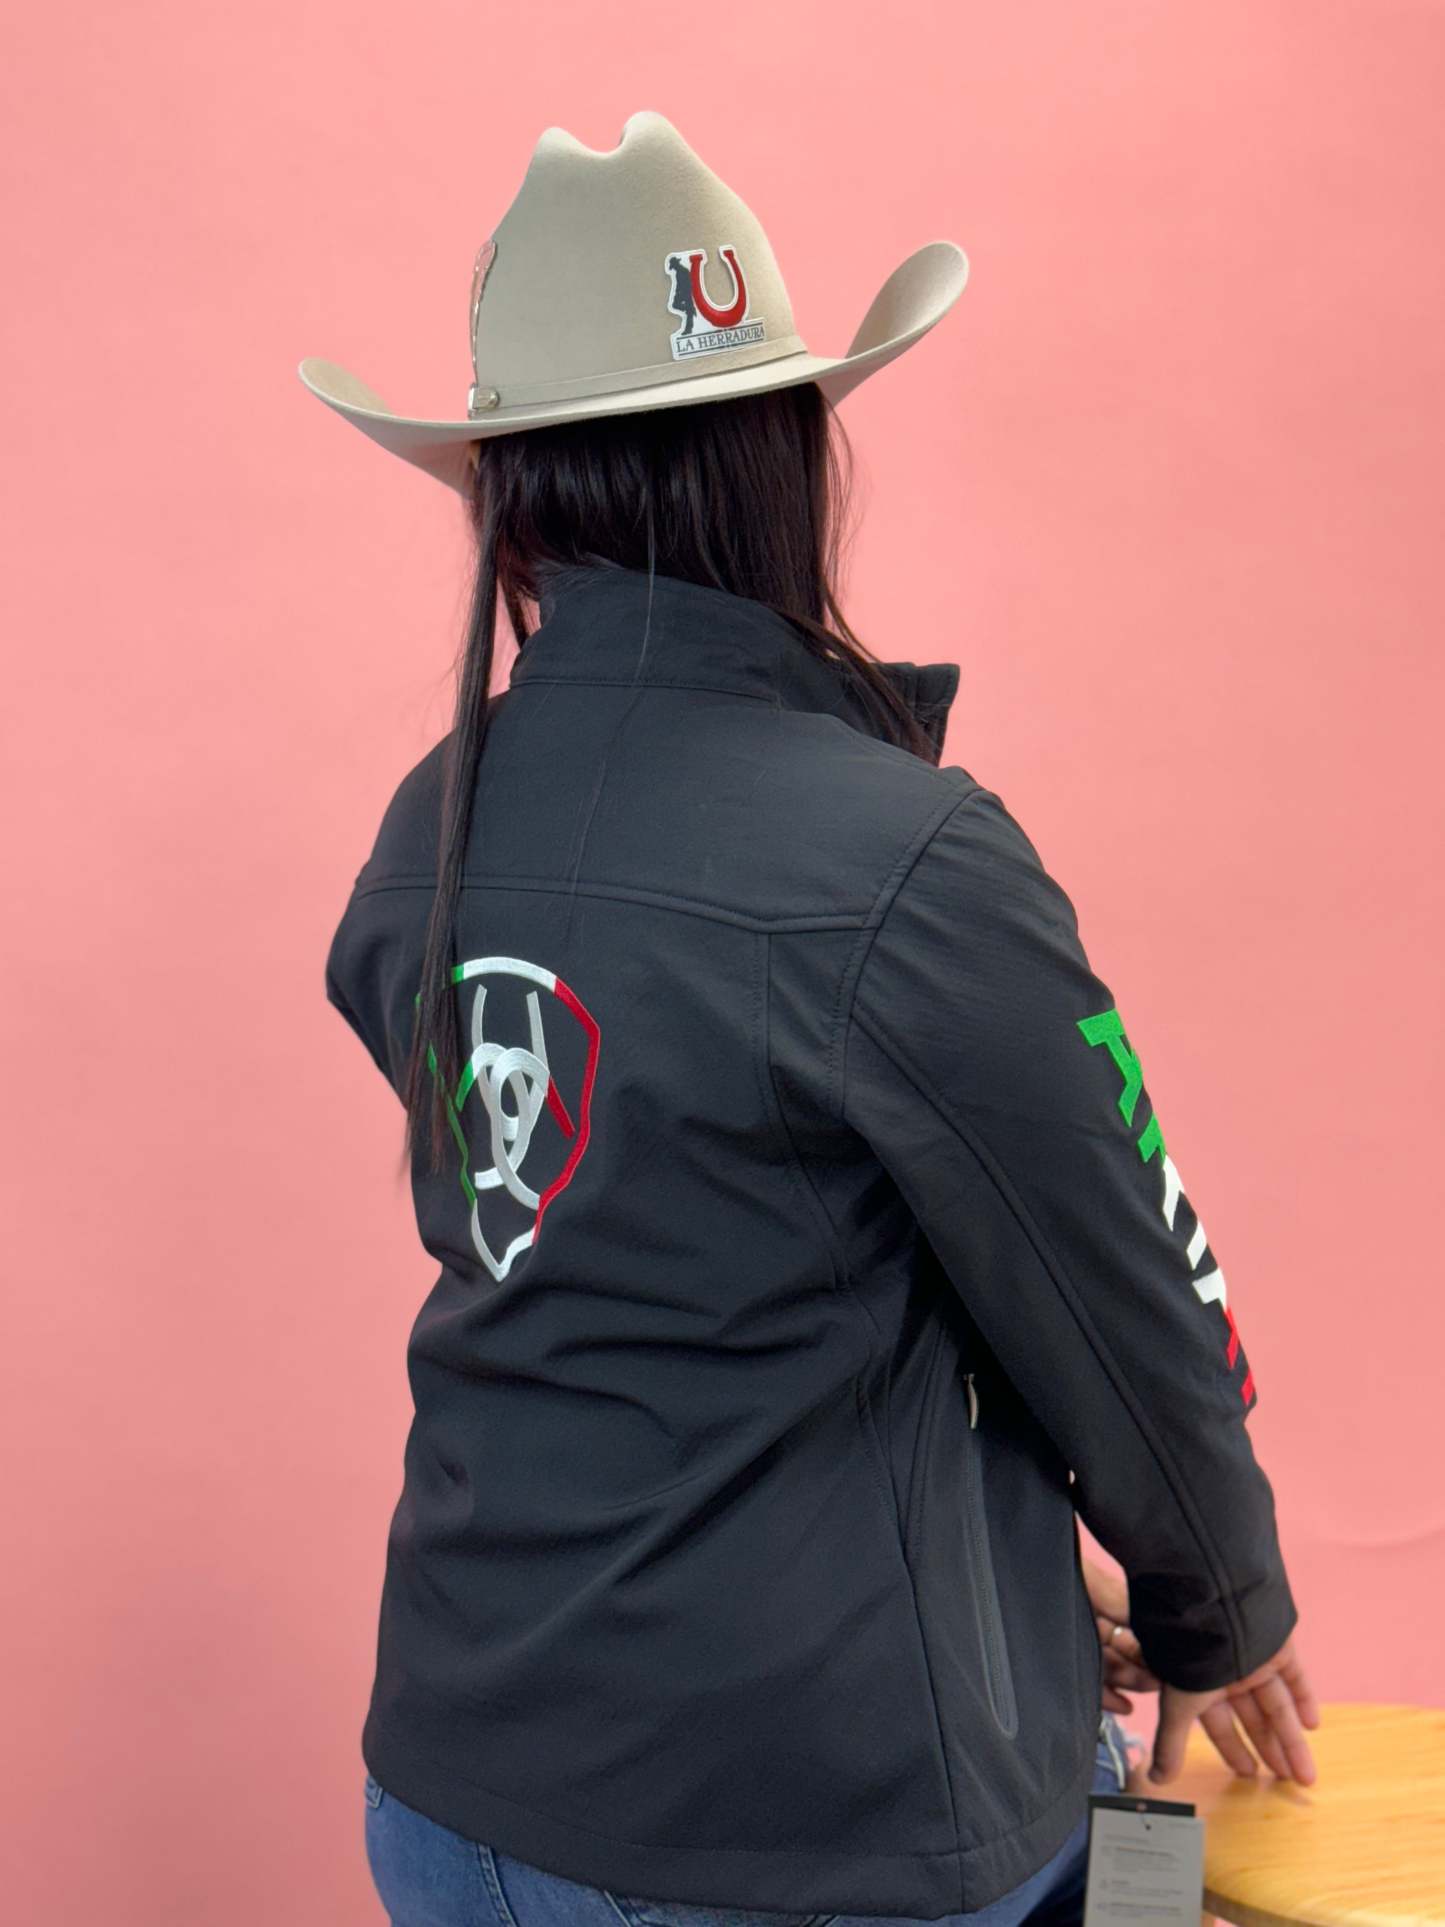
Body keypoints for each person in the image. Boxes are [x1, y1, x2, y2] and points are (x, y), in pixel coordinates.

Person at [301, 109, 1318, 1927]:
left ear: (504, 495)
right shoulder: (905, 858)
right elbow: (1119, 1300)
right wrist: (1218, 1612)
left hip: (450, 1802)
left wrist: (1025, 1586)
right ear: (787, 456)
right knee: (1146, 1864)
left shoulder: (423, 831)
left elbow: (677, 1273)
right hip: (805, 1834)